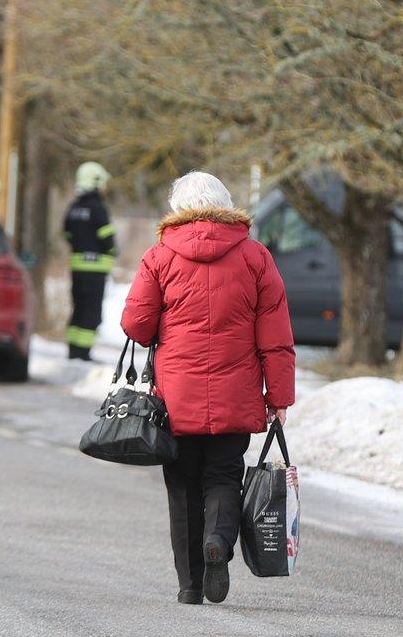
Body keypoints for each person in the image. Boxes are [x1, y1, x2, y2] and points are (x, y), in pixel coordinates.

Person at [121, 171, 295, 606]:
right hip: (237, 393)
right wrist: (279, 396)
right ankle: (218, 538)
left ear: (179, 210)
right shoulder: (256, 258)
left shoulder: (159, 257)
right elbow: (275, 336)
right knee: (222, 476)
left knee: (182, 486)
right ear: (225, 205)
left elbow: (136, 327)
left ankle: (190, 585)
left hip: (176, 398)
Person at [63, 162, 116, 359]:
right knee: (91, 311)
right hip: (95, 270)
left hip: (77, 268)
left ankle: (73, 350)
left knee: (78, 308)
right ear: (96, 182)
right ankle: (83, 353)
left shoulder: (74, 207)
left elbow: (67, 234)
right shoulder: (98, 208)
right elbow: (107, 236)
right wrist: (112, 250)